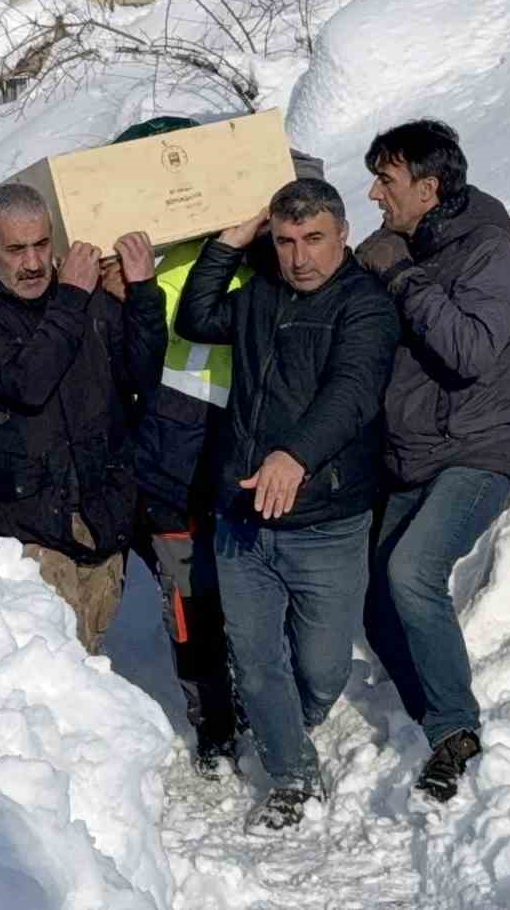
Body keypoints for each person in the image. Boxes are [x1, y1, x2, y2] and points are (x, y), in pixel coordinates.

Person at [111, 116, 334, 780]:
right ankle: (213, 722)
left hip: (245, 461)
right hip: (172, 465)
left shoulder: (278, 264)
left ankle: (267, 705)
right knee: (191, 602)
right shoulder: (150, 263)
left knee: (254, 598)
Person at [177, 177, 399, 831]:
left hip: (324, 523)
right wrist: (228, 242)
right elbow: (195, 319)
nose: (300, 258)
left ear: (343, 234)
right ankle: (292, 775)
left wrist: (294, 456)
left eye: (314, 239)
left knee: (322, 669)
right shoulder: (259, 296)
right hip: (242, 517)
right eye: (284, 241)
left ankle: (288, 718)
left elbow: (352, 392)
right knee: (255, 658)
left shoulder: (366, 306)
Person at [353, 119, 510, 802]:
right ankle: (431, 713)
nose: (374, 193)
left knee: (412, 569)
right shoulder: (408, 248)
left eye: (386, 180)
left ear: (428, 190)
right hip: (416, 453)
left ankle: (456, 732)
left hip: (483, 448)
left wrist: (400, 275)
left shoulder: (490, 254)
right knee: (374, 595)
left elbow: (471, 350)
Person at [0, 183, 166, 654]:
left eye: (42, 245)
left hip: (101, 517)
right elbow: (28, 381)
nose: (33, 262)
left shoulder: (80, 295)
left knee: (91, 655)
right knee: (54, 668)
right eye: (16, 249)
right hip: (31, 529)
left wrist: (143, 293)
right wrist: (74, 297)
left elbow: (142, 374)